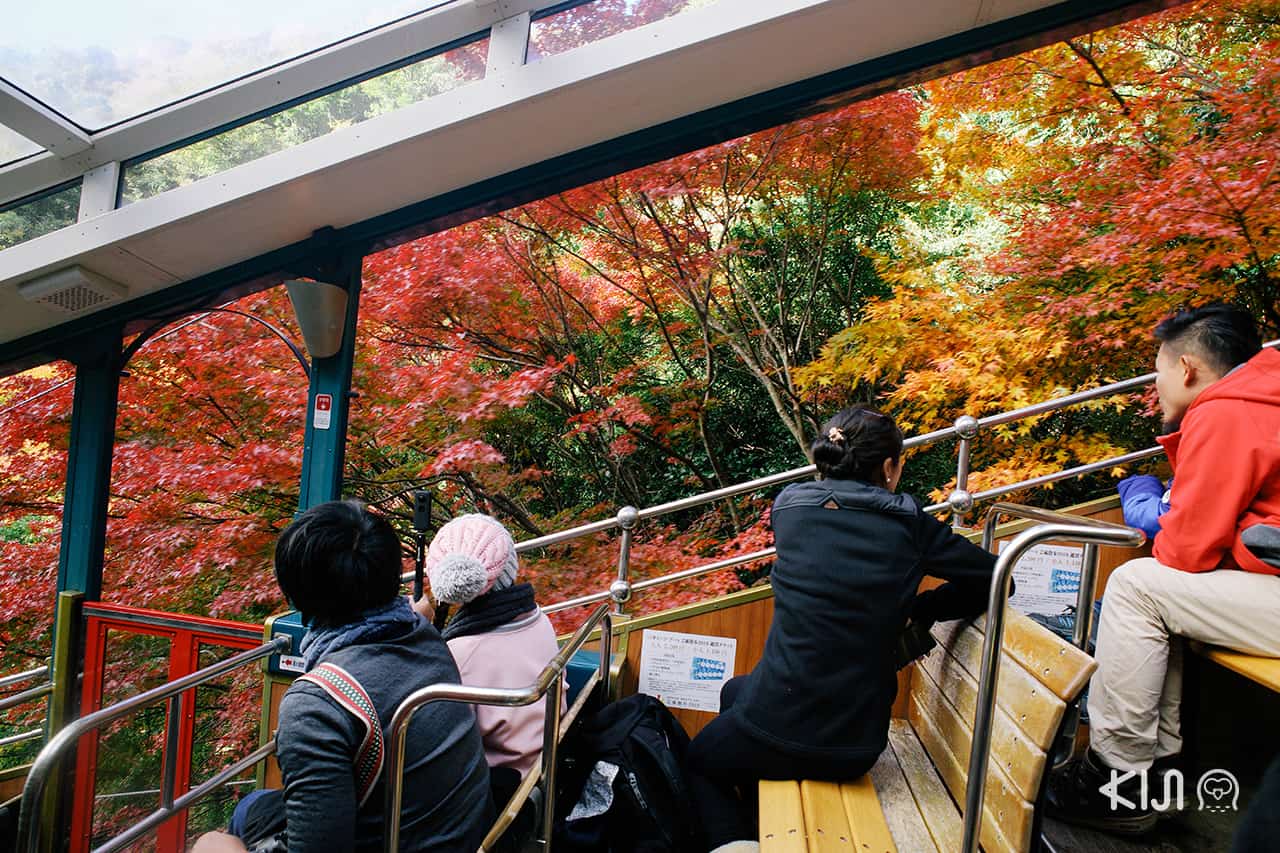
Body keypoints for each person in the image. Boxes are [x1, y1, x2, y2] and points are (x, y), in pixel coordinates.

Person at [684, 406, 1001, 853]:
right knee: (734, 691)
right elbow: (997, 577)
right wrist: (923, 607)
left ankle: (738, 843)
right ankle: (762, 835)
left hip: (786, 723)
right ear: (889, 467)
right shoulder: (908, 524)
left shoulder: (790, 507)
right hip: (855, 740)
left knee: (699, 763)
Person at [1047, 302, 1280, 836]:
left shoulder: (1228, 411)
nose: (1156, 387)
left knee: (1136, 585)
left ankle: (1119, 778)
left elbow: (1184, 550)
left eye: (1157, 372)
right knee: (1162, 597)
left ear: (1186, 369)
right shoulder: (1262, 400)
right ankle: (1156, 777)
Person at [194, 500, 493, 853]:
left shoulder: (318, 705)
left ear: (297, 595)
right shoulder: (425, 637)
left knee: (212, 842)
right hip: (457, 832)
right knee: (252, 808)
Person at [418, 514, 563, 811]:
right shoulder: (538, 619)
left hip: (500, 793)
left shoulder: (461, 652)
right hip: (542, 772)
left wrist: (418, 632)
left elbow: (438, 746)